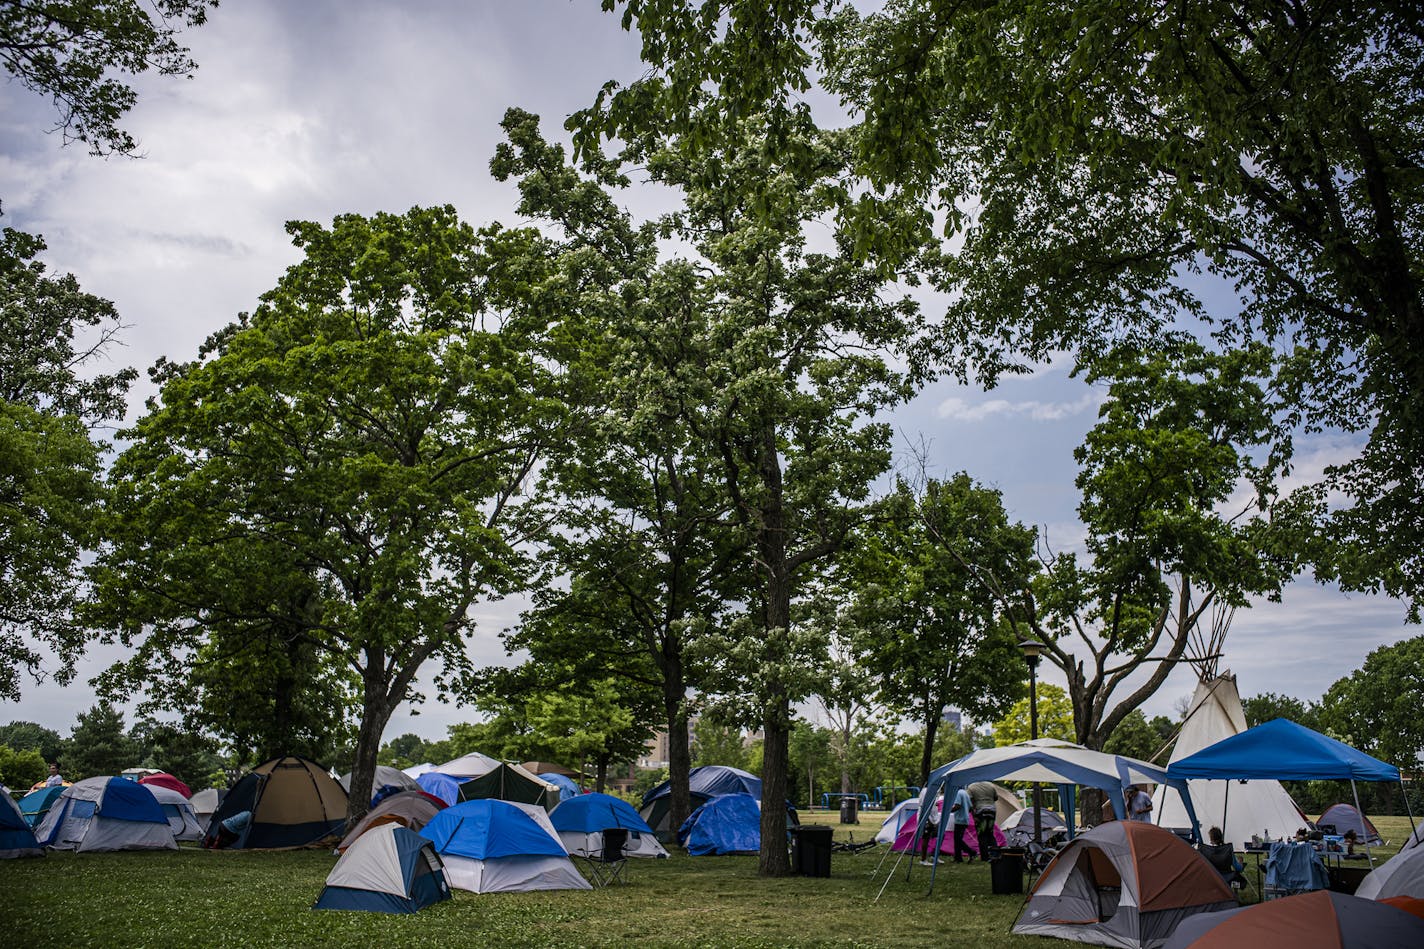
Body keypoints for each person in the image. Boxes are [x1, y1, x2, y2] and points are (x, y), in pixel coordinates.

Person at [968, 781, 999, 859]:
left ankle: (985, 856)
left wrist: (973, 814)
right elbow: (996, 798)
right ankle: (995, 854)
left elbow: (969, 801)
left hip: (980, 811)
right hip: (992, 810)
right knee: (990, 833)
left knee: (982, 834)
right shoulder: (990, 785)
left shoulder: (971, 787)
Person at [948, 786, 974, 863]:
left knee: (958, 840)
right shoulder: (965, 793)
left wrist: (948, 810)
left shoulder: (958, 793)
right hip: (965, 819)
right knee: (958, 839)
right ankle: (958, 858)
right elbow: (971, 808)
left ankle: (971, 852)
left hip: (960, 820)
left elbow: (957, 805)